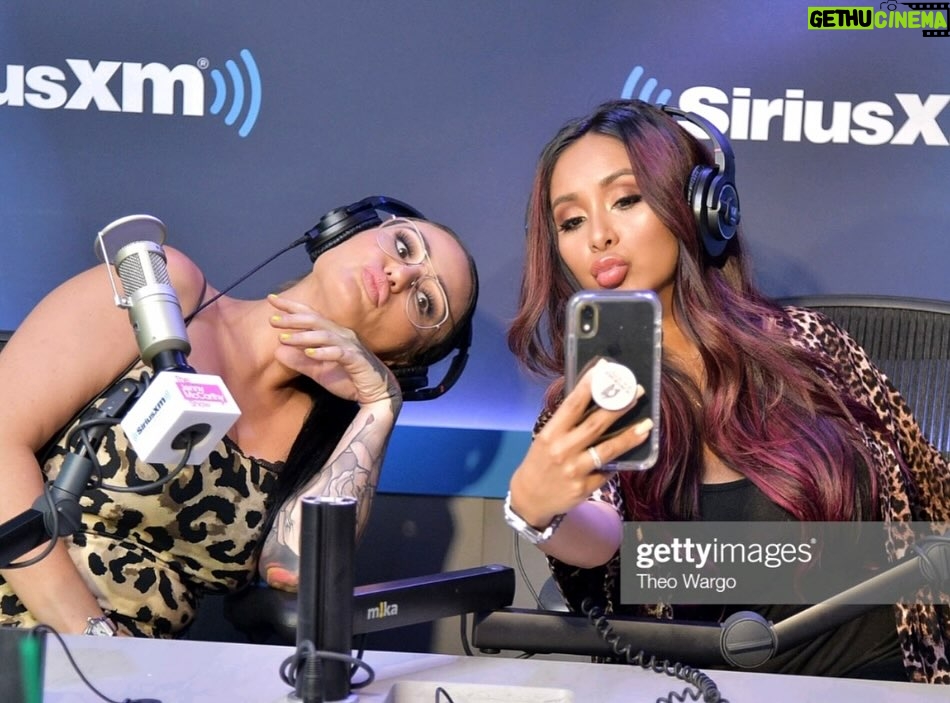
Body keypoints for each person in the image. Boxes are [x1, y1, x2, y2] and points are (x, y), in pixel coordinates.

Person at [504, 98, 950, 683]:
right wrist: (540, 513)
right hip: (718, 688)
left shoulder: (810, 344)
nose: (599, 237)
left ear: (700, 206)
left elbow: (932, 495)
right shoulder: (583, 402)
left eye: (626, 199)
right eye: (571, 221)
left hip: (891, 682)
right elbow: (602, 537)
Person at [0, 204, 478, 638]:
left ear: (401, 360)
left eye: (425, 302)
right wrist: (90, 637)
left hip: (136, 675)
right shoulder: (167, 293)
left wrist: (379, 406)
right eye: (404, 246)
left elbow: (291, 575)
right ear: (346, 230)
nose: (400, 274)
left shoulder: (326, 446)